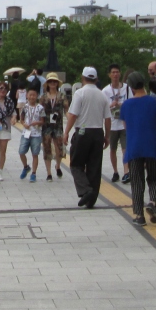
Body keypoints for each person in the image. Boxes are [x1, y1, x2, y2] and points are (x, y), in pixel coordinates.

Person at [121, 72, 156, 225]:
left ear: (131, 87)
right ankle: (152, 202)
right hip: (153, 145)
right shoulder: (154, 101)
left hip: (134, 147)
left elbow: (126, 126)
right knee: (154, 177)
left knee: (136, 181)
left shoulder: (126, 105)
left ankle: (139, 216)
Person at [63, 66, 112, 208]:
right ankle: (91, 200)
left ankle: (85, 190)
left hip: (83, 131)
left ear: (82, 78)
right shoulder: (102, 95)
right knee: (94, 166)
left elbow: (73, 115)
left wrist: (66, 132)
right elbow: (108, 118)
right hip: (98, 132)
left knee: (76, 164)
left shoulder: (80, 93)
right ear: (96, 79)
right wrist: (107, 136)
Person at [103, 64, 132, 184]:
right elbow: (103, 107)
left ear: (120, 74)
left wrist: (123, 105)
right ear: (109, 75)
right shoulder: (105, 91)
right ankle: (115, 171)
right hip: (112, 123)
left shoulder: (127, 88)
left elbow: (131, 102)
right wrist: (112, 105)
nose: (115, 74)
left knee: (125, 148)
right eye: (113, 72)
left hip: (124, 123)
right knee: (113, 148)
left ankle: (126, 172)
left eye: (117, 72)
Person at [40, 73, 68, 181]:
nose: (52, 83)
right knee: (47, 148)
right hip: (46, 125)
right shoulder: (43, 97)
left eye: (54, 81)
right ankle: (49, 173)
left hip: (58, 125)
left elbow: (66, 110)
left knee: (59, 147)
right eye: (50, 81)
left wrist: (71, 120)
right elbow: (39, 111)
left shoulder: (62, 96)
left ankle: (58, 166)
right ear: (47, 83)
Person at [18, 88, 45, 181]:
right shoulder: (25, 107)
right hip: (26, 133)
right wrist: (23, 124)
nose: (32, 97)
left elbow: (43, 121)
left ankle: (33, 173)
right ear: (27, 96)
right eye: (30, 95)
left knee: (35, 154)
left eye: (34, 95)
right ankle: (26, 167)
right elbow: (21, 119)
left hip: (36, 134)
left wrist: (36, 122)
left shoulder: (40, 108)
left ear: (37, 96)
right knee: (21, 152)